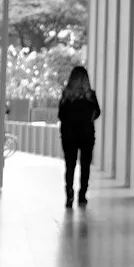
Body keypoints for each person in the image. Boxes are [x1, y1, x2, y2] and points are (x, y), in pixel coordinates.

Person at [57, 65, 101, 210]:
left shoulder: (66, 95)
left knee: (70, 165)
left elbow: (61, 115)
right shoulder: (90, 96)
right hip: (87, 134)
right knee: (85, 165)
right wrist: (87, 118)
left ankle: (69, 195)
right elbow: (97, 113)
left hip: (69, 135)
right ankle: (82, 195)